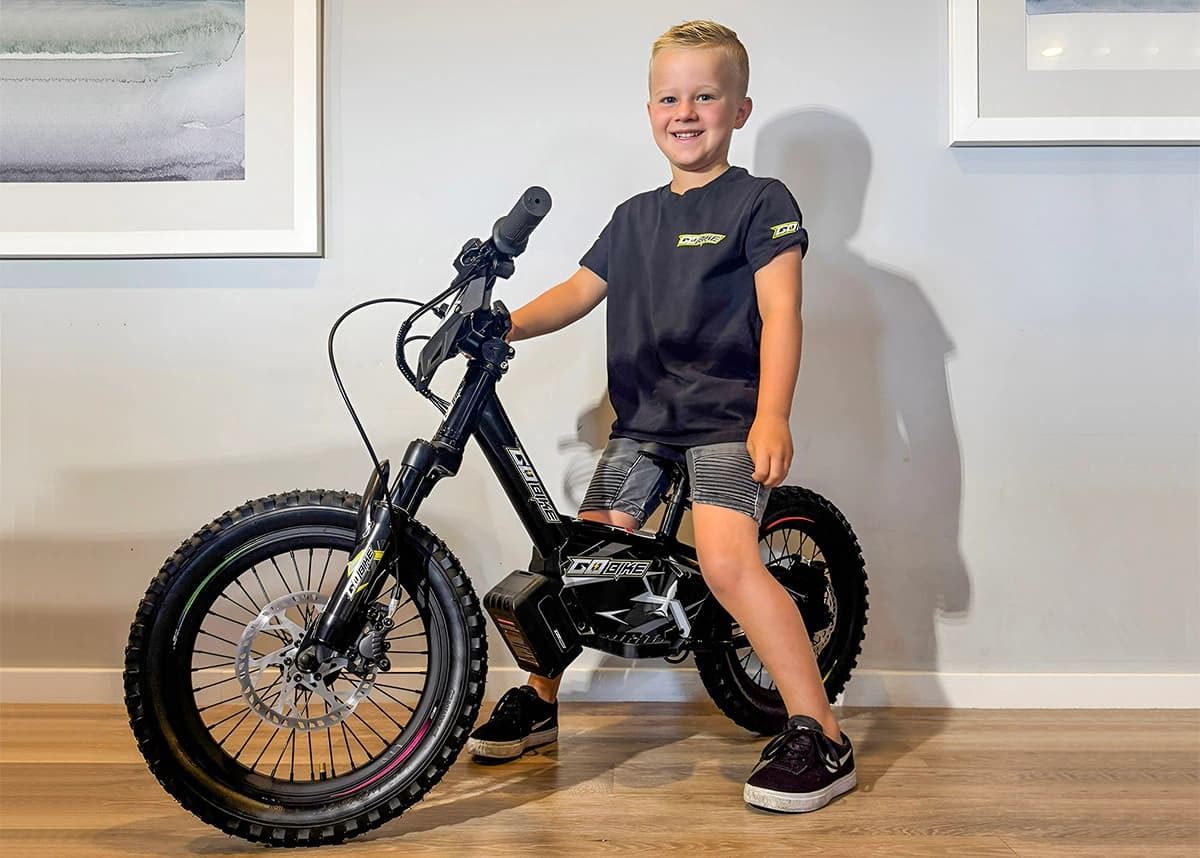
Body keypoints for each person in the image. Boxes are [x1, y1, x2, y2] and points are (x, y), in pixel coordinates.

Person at [465, 19, 856, 814]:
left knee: (727, 564)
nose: (686, 112)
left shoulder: (759, 201)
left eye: (705, 96)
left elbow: (782, 313)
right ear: (649, 112)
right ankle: (540, 700)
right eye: (670, 98)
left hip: (726, 422)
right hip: (643, 423)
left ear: (739, 110)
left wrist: (772, 416)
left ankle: (822, 734)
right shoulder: (633, 216)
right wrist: (505, 324)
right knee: (573, 557)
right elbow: (577, 292)